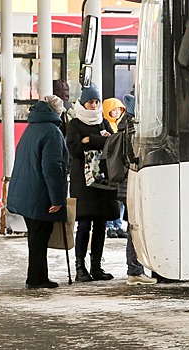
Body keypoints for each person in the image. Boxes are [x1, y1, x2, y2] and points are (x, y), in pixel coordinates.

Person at [7, 95, 69, 289]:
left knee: (35, 237)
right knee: (40, 237)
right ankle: (36, 278)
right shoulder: (52, 132)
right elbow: (52, 168)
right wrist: (57, 199)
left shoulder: (32, 127)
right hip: (40, 193)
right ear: (57, 112)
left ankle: (38, 276)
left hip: (27, 191)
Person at [66, 82, 120, 282]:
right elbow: (74, 150)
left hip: (103, 183)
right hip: (84, 184)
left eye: (97, 101)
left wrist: (90, 140)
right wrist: (96, 140)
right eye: (91, 102)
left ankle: (96, 266)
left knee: (101, 225)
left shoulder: (103, 121)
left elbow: (112, 144)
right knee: (84, 225)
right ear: (83, 103)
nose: (94, 105)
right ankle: (80, 267)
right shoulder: (74, 124)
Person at [120, 94, 157, 286]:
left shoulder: (125, 127)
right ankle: (134, 270)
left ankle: (136, 269)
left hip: (129, 183)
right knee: (134, 227)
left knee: (134, 226)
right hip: (133, 183)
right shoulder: (134, 129)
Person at [102, 97, 129, 239]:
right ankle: (110, 225)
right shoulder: (106, 125)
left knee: (120, 199)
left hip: (120, 166)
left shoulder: (122, 125)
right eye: (114, 110)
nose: (117, 112)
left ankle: (118, 225)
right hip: (112, 166)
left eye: (119, 109)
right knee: (112, 197)